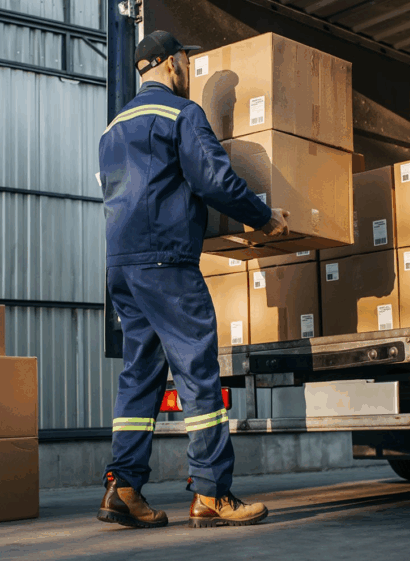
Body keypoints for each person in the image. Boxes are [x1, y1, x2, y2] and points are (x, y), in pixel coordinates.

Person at [96, 30, 291, 529]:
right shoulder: (181, 115)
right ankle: (211, 492)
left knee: (139, 375)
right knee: (197, 373)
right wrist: (263, 217)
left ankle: (124, 487)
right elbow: (213, 180)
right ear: (170, 63)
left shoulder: (112, 128)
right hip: (166, 262)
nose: (189, 70)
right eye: (186, 61)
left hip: (122, 263)